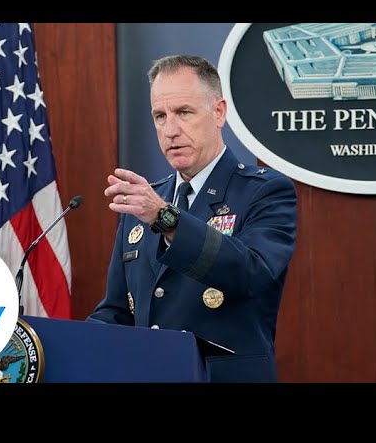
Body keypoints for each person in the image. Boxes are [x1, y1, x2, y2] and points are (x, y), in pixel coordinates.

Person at [86, 54, 297, 383]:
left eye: (184, 112)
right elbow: (117, 311)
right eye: (160, 116)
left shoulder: (264, 191)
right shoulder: (144, 203)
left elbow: (252, 274)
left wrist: (165, 218)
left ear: (219, 112)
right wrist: (63, 345)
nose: (170, 130)